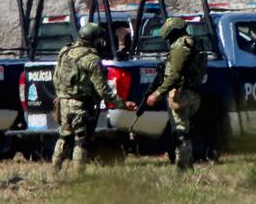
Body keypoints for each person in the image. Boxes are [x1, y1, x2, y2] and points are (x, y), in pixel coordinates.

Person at [52, 23, 135, 174]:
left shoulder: (65, 51)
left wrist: (62, 96)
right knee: (81, 140)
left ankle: (54, 170)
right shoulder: (92, 59)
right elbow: (103, 90)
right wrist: (122, 104)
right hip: (81, 105)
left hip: (63, 102)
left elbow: (56, 77)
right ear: (95, 40)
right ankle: (78, 175)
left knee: (63, 136)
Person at [145, 17, 208, 171]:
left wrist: (157, 94)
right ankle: (187, 163)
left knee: (180, 132)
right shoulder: (192, 43)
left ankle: (184, 166)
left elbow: (174, 75)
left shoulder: (180, 46)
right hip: (192, 92)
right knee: (184, 130)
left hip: (180, 94)